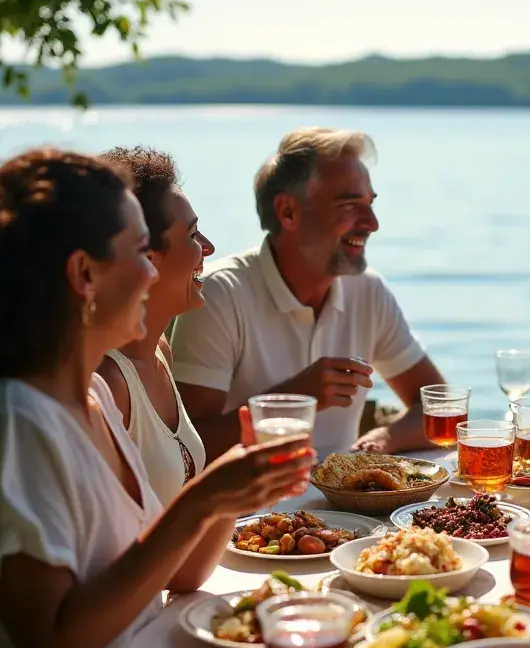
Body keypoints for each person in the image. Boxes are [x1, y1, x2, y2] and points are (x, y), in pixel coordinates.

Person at [0, 149, 310, 648]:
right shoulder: (13, 421)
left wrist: (230, 488)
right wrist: (196, 501)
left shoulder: (93, 395)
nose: (152, 274)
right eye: (136, 253)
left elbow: (174, 574)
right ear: (84, 275)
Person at [170, 127, 446, 461]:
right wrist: (296, 397)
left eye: (370, 204)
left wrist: (385, 439)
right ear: (288, 212)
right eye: (349, 203)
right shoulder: (219, 293)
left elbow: (440, 407)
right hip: (252, 511)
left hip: (348, 509)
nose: (372, 223)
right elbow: (188, 450)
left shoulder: (368, 290)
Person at [96, 147, 213, 505]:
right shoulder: (107, 383)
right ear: (147, 258)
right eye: (193, 236)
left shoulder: (161, 351)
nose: (208, 247)